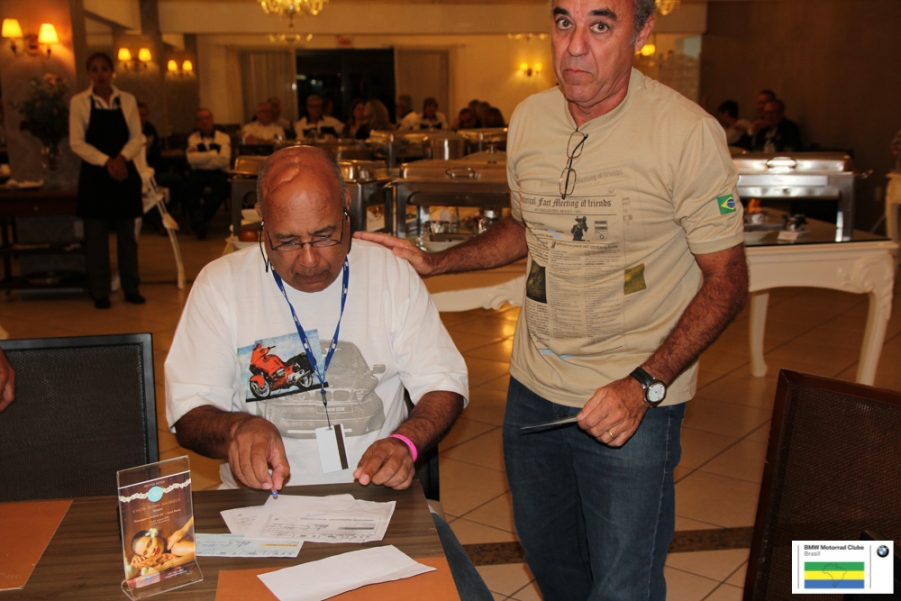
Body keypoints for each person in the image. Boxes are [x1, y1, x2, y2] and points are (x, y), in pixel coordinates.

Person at [357, 0, 749, 597]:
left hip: (632, 401)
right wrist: (437, 262)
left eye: (601, 25)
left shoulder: (686, 133)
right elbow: (526, 226)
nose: (575, 46)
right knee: (552, 565)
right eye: (564, 22)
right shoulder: (531, 118)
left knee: (623, 584)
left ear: (642, 31)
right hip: (533, 393)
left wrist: (643, 385)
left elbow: (727, 281)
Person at [165, 145, 491, 600]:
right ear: (262, 225)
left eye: (324, 236)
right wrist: (237, 427)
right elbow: (188, 412)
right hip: (259, 508)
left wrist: (406, 441)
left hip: (377, 500)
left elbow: (444, 383)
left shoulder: (389, 275)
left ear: (347, 213)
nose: (309, 260)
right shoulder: (222, 285)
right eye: (286, 241)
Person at [69, 52, 146, 310]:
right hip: (95, 176)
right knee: (96, 240)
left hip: (124, 173)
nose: (100, 73)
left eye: (104, 68)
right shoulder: (79, 102)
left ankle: (131, 288)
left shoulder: (127, 100)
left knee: (127, 238)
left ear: (112, 72)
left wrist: (121, 159)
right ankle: (100, 291)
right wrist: (107, 161)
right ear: (89, 73)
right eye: (95, 69)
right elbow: (76, 142)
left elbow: (137, 137)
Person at [185, 108, 232, 240]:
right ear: (197, 122)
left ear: (212, 120)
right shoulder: (192, 138)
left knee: (223, 187)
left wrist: (201, 158)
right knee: (189, 188)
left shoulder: (223, 137)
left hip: (219, 172)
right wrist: (213, 154)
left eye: (206, 118)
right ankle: (200, 223)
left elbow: (224, 160)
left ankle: (199, 218)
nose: (204, 121)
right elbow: (191, 160)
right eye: (200, 119)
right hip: (199, 172)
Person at [128, 517, 196, 576]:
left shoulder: (175, 547)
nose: (152, 550)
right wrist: (138, 558)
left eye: (150, 543)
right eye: (145, 553)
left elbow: (199, 550)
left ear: (155, 534)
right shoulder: (166, 550)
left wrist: (169, 565)